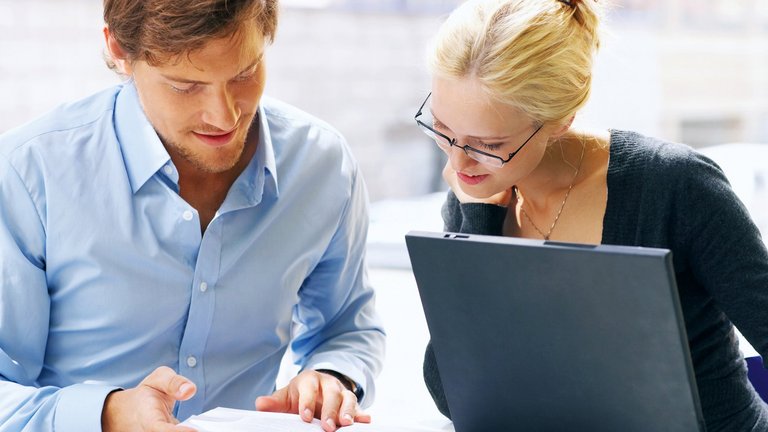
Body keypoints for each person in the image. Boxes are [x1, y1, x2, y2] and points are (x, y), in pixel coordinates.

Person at [0, 1, 385, 431]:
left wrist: (332, 377)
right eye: (185, 85)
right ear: (118, 50)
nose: (225, 116)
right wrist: (105, 415)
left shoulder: (321, 165)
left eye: (244, 73)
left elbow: (347, 327)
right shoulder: (29, 174)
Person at [416, 0, 768, 431]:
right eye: (442, 129)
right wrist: (479, 228)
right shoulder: (475, 196)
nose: (457, 163)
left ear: (560, 120)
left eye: (486, 144)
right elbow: (453, 393)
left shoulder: (675, 187)